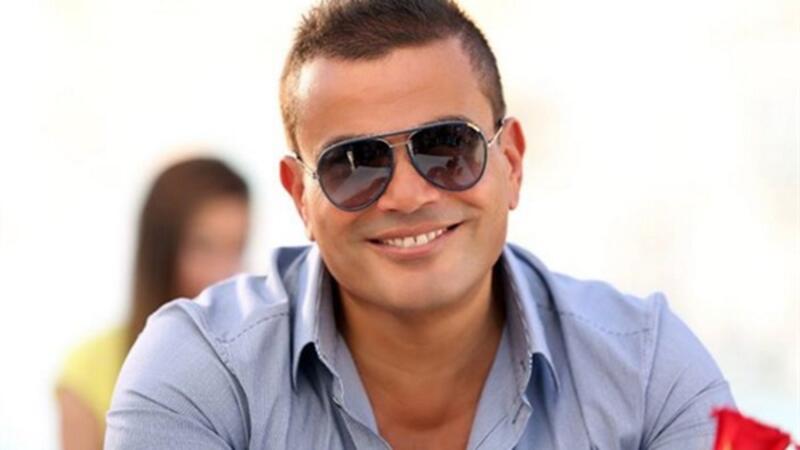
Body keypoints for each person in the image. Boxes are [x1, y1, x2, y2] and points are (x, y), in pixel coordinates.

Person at [105, 1, 735, 449]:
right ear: (301, 197)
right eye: (354, 164)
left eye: (447, 148)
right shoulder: (200, 372)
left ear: (512, 163)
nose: (407, 196)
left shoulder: (648, 368)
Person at [56, 157, 250, 450]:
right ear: (162, 250)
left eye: (236, 248)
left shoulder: (255, 363)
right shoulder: (87, 371)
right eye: (203, 246)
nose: (222, 273)